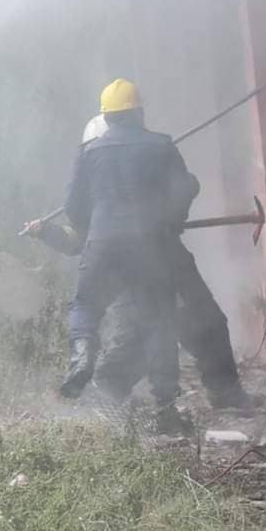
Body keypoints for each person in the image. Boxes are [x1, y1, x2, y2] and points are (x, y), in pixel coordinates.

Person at [41, 79, 196, 434]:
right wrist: (171, 223)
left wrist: (92, 226)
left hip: (102, 243)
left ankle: (82, 358)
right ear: (139, 112)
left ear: (107, 118)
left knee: (84, 305)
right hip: (150, 245)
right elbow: (181, 191)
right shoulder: (162, 145)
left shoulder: (90, 151)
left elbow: (72, 206)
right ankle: (166, 410)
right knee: (159, 320)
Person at [74, 112, 252, 410]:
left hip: (152, 254)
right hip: (158, 255)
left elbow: (181, 188)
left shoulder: (99, 174)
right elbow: (182, 188)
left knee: (181, 322)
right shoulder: (130, 164)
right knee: (169, 324)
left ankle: (110, 390)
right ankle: (109, 391)